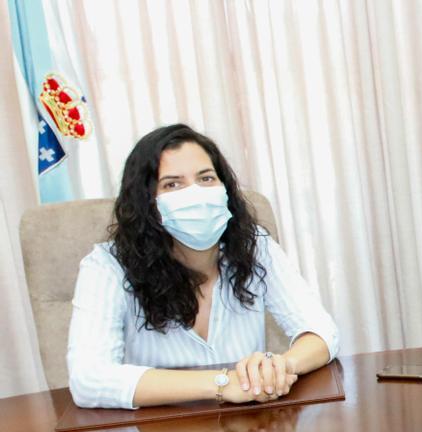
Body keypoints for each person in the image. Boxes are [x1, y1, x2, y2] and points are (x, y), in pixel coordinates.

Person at [66, 124, 339, 409]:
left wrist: (278, 367)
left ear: (225, 189)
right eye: (172, 184)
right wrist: (223, 384)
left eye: (206, 178)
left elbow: (323, 333)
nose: (195, 194)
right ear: (147, 203)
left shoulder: (255, 245)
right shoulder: (107, 265)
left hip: (252, 428)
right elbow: (88, 379)